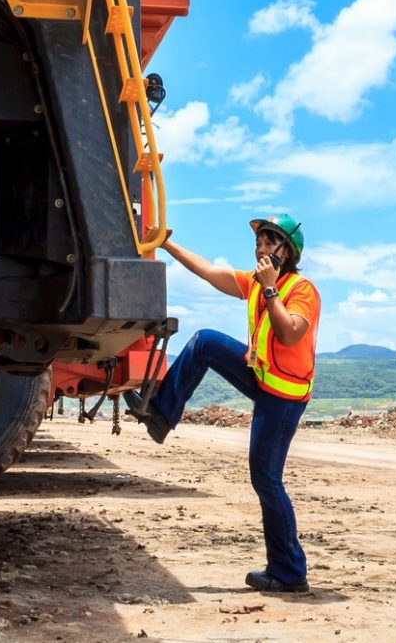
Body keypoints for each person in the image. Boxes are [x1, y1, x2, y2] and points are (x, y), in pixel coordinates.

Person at [127, 213, 321, 594]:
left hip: (284, 396)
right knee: (205, 343)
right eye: (259, 241)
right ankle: (162, 414)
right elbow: (208, 273)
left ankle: (290, 572)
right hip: (263, 376)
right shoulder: (254, 282)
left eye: (270, 241)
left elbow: (290, 331)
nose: (260, 247)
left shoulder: (301, 290)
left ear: (288, 251)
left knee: (266, 478)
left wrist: (270, 290)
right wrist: (166, 243)